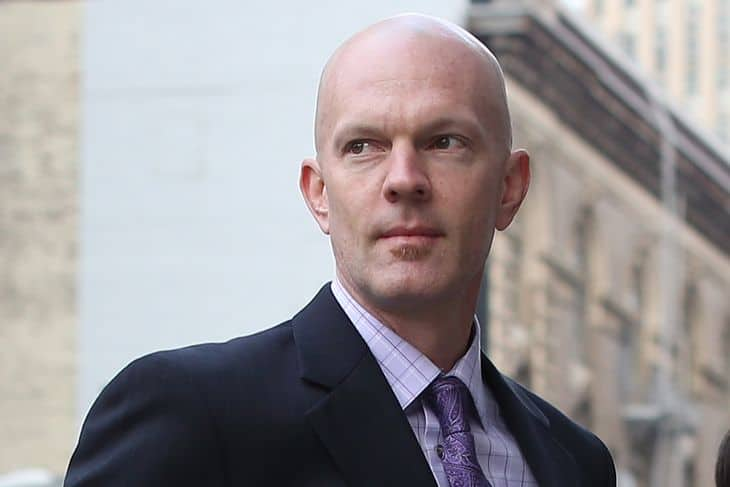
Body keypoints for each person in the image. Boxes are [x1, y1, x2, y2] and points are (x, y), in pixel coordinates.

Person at [64, 13, 616, 487]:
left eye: (444, 142)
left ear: (509, 187)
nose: (404, 179)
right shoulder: (192, 413)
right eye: (363, 146)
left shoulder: (575, 461)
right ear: (319, 194)